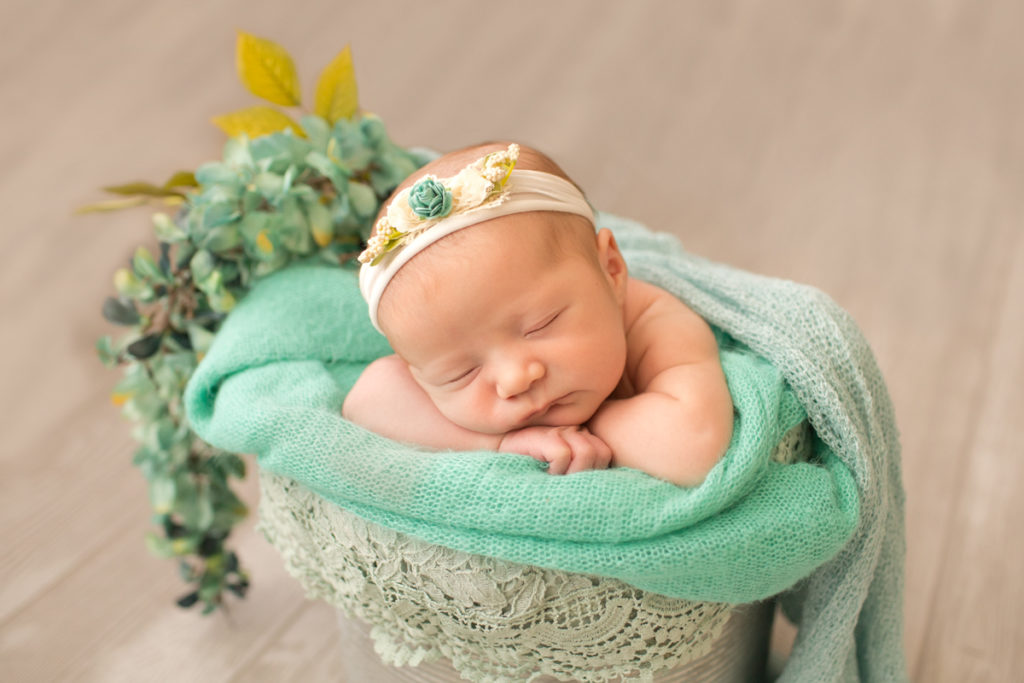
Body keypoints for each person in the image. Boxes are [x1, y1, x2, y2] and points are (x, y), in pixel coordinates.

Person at [342, 142, 734, 487]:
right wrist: (501, 442)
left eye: (539, 326)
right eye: (461, 372)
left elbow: (693, 447)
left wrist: (581, 426)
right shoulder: (445, 339)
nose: (515, 381)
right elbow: (366, 401)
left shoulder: (655, 322)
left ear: (611, 269)